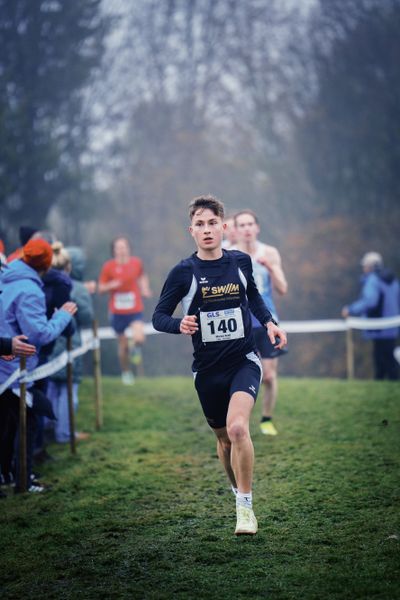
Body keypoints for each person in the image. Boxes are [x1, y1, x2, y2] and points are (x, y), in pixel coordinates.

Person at [152, 195, 287, 536]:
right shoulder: (183, 272)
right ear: (191, 231)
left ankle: (245, 507)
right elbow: (158, 317)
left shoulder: (240, 261)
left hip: (243, 359)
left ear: (223, 227)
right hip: (207, 369)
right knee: (225, 440)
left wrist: (270, 322)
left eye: (213, 223)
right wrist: (178, 325)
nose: (207, 229)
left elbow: (253, 296)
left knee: (239, 428)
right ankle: (236, 491)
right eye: (200, 224)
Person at [0, 238, 77, 492]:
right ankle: (24, 480)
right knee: (29, 420)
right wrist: (63, 315)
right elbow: (39, 335)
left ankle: (8, 476)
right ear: (46, 265)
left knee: (9, 425)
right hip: (15, 370)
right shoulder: (29, 290)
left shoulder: (6, 278)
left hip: (6, 365)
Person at [233, 210, 288, 436]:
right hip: (239, 322)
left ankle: (266, 419)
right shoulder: (229, 254)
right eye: (242, 225)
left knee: (269, 376)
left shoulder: (270, 252)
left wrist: (271, 268)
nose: (246, 229)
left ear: (257, 228)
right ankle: (238, 419)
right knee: (236, 373)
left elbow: (283, 289)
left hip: (266, 320)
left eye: (250, 224)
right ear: (235, 230)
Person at [46, 244, 94, 443]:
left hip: (48, 343)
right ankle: (64, 434)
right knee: (68, 391)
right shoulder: (78, 288)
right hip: (69, 343)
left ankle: (49, 431)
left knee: (52, 390)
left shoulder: (45, 283)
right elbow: (86, 317)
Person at [98, 236, 152, 385]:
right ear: (114, 250)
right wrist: (112, 285)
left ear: (128, 249)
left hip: (134, 308)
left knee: (139, 338)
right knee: (122, 346)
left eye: (124, 247)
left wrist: (145, 288)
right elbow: (101, 288)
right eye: (118, 247)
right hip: (117, 312)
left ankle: (134, 346)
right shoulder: (108, 267)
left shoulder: (136, 263)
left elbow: (142, 276)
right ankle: (126, 373)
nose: (122, 250)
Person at [342, 252, 399, 380]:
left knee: (384, 359)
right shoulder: (393, 280)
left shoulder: (373, 280)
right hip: (392, 327)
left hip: (378, 326)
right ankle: (384, 386)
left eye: (365, 265)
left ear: (370, 266)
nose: (363, 268)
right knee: (386, 358)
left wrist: (350, 310)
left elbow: (370, 301)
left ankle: (386, 385)